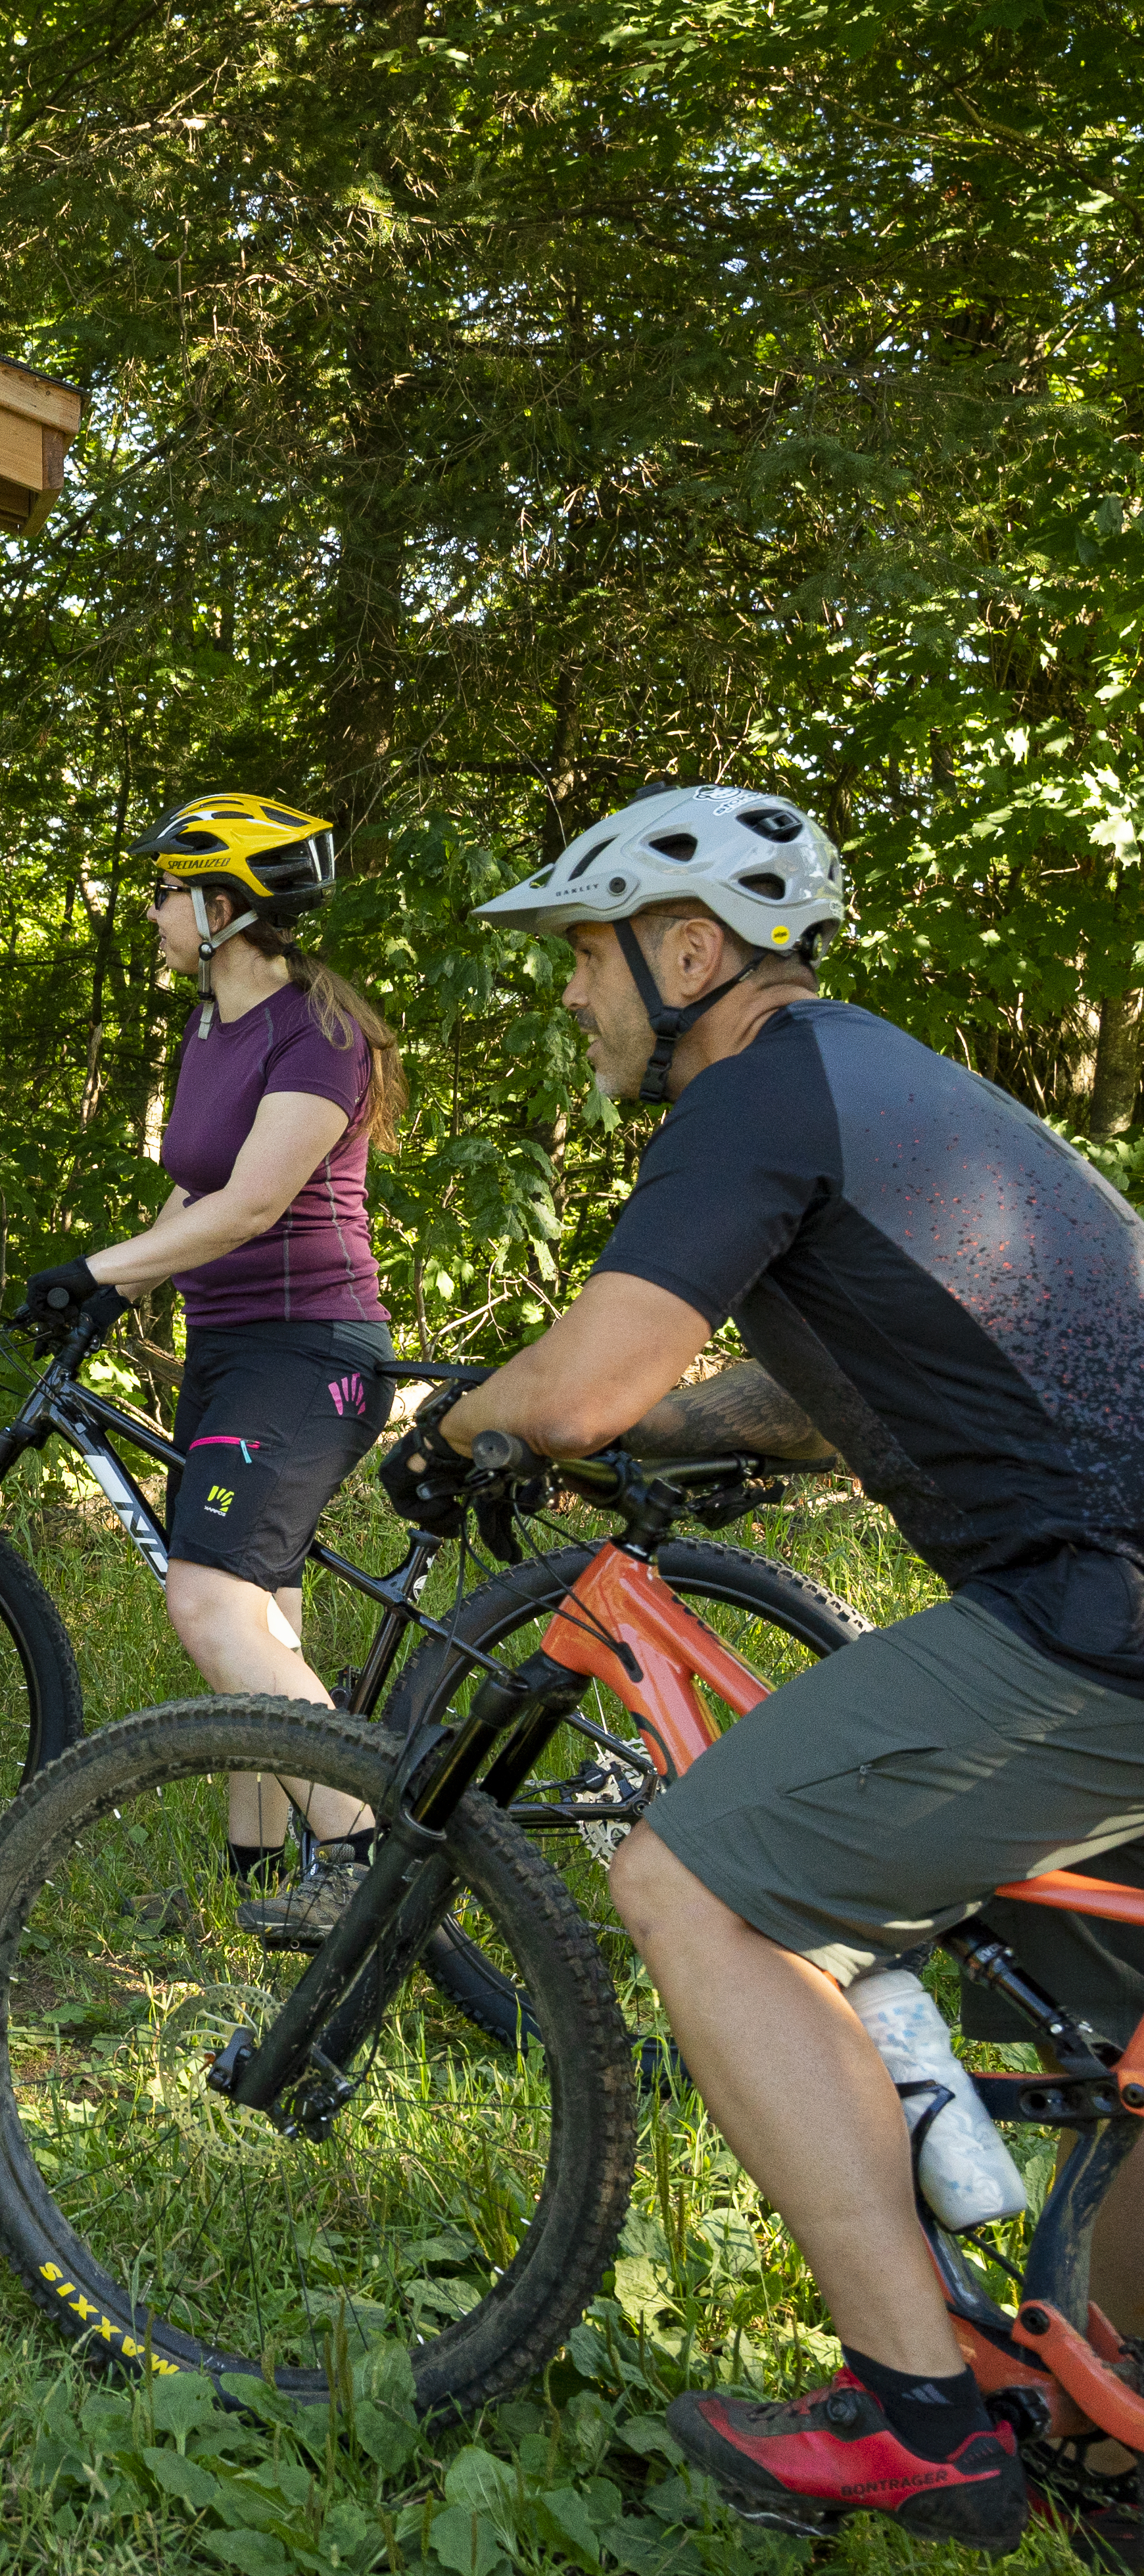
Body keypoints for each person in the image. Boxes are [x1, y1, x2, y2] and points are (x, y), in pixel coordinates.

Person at [386, 784, 1144, 2556]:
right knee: (1114, 2033)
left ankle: (921, 2413)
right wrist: (680, 1432)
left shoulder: (746, 1098)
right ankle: (1112, 2415)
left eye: (583, 957)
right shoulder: (885, 1083)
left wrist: (468, 1427)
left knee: (698, 1886)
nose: (570, 996)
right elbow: (823, 1385)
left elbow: (577, 1386)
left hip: (1095, 1618)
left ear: (690, 951)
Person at [23, 792, 404, 1945]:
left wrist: (93, 1266)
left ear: (224, 908)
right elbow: (195, 1187)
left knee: (210, 1602)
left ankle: (361, 1859)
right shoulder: (210, 1032)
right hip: (230, 1348)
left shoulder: (317, 1037)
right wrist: (120, 1284)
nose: (151, 913)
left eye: (165, 892)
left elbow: (251, 1205)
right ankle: (258, 1883)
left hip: (309, 1353)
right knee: (264, 1616)